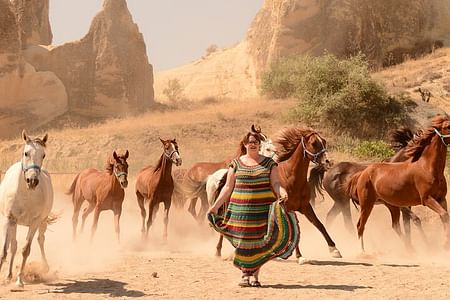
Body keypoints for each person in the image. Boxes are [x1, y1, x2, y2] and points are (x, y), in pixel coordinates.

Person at [207, 127, 299, 288]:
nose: (253, 145)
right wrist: (215, 206)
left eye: (256, 142)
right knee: (243, 243)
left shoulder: (270, 163)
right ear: (245, 144)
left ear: (259, 144)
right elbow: (228, 187)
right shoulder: (235, 164)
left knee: (259, 244)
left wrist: (282, 192)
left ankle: (254, 276)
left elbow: (276, 184)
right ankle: (244, 274)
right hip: (239, 211)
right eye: (250, 142)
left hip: (262, 211)